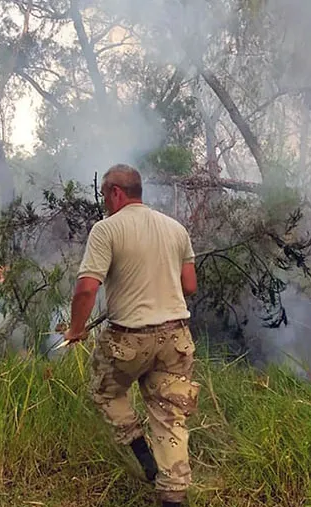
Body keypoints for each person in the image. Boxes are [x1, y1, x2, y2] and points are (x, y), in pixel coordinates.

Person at [63, 164, 200, 507]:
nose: (105, 203)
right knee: (170, 415)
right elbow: (189, 286)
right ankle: (173, 493)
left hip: (128, 339)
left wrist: (76, 329)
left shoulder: (106, 230)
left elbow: (86, 289)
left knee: (105, 390)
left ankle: (139, 447)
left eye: (104, 196)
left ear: (115, 192)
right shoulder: (175, 228)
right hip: (176, 337)